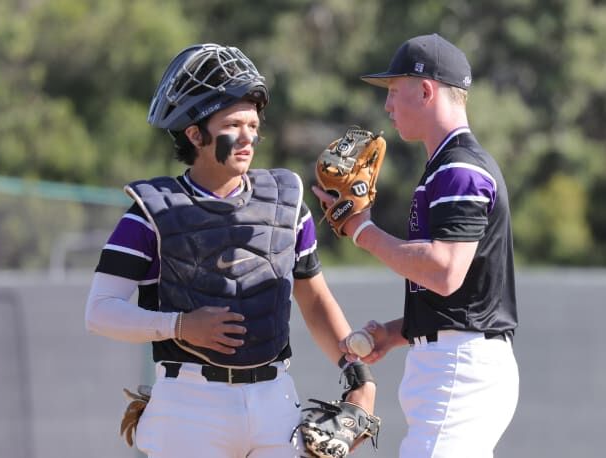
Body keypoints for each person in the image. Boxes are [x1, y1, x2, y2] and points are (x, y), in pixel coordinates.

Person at [85, 43, 376, 458]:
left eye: (253, 124)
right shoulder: (149, 212)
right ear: (194, 133)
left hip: (274, 399)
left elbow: (314, 301)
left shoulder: (287, 200)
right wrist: (180, 326)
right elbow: (99, 311)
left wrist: (357, 372)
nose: (248, 136)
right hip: (188, 405)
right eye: (233, 125)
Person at [313, 33, 519, 458]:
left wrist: (361, 231)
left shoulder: (458, 170)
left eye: (393, 91)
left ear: (426, 90)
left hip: (459, 368)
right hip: (456, 362)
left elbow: (444, 272)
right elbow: (463, 293)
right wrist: (398, 332)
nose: (387, 105)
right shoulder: (449, 166)